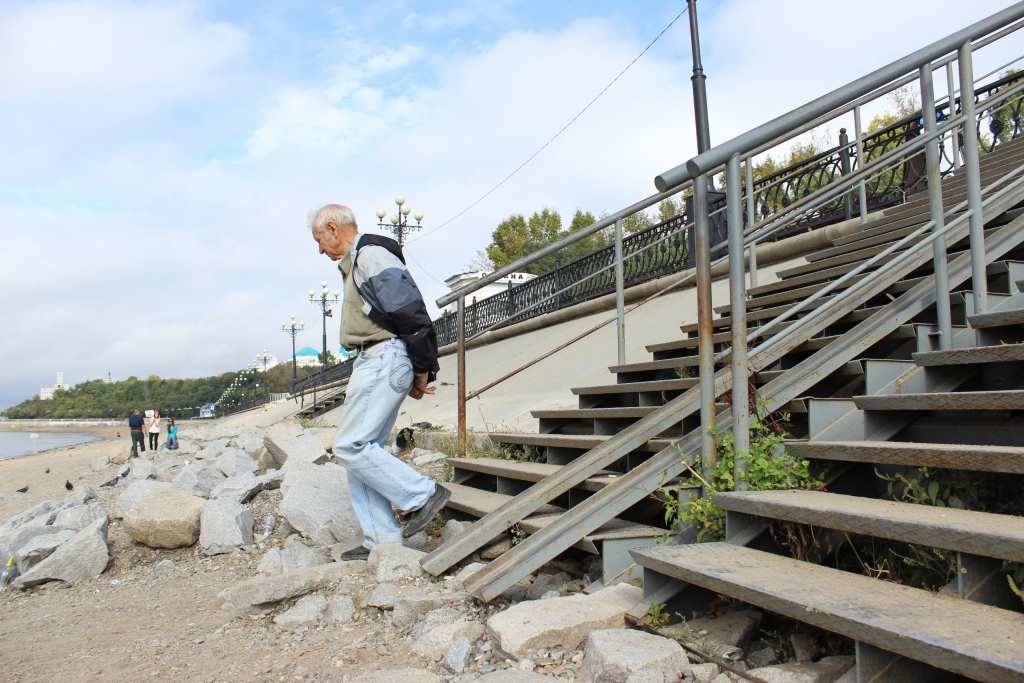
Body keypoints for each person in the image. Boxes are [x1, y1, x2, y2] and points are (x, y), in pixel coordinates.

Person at [310, 204, 449, 561]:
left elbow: (409, 310)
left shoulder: (370, 254)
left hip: (383, 355)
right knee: (362, 449)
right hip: (378, 357)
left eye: (320, 240)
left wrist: (423, 366)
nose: (320, 250)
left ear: (332, 228)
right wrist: (419, 368)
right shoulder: (360, 259)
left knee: (351, 446)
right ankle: (381, 540)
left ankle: (422, 495)